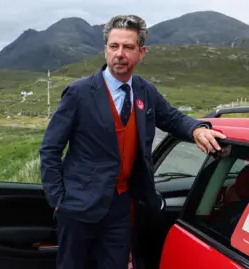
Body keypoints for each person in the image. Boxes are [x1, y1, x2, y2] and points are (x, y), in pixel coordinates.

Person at [39, 14, 227, 269]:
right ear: (105, 49)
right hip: (78, 206)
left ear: (141, 52)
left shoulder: (144, 91)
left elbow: (172, 118)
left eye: (128, 47)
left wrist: (197, 130)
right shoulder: (79, 93)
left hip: (120, 206)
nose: (120, 53)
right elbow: (50, 149)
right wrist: (59, 200)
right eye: (114, 46)